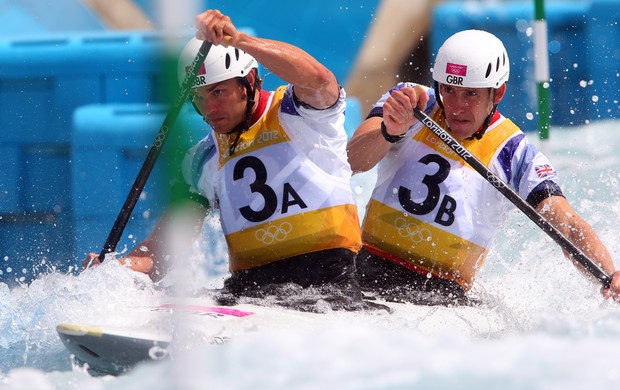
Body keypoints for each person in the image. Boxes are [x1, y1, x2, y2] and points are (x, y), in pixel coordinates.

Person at [83, 9, 370, 311]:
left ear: (249, 81)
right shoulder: (202, 158)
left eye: (218, 91)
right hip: (250, 291)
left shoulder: (300, 113)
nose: (210, 108)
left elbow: (318, 78)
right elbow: (161, 252)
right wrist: (114, 274)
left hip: (327, 285)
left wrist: (241, 40)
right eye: (200, 96)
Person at [347, 29, 620, 305]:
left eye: (470, 94)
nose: (456, 106)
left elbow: (566, 225)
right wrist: (389, 131)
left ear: (497, 92)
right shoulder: (412, 104)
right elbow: (352, 162)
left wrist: (610, 275)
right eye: (448, 90)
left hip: (443, 294)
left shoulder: (516, 154)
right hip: (367, 267)